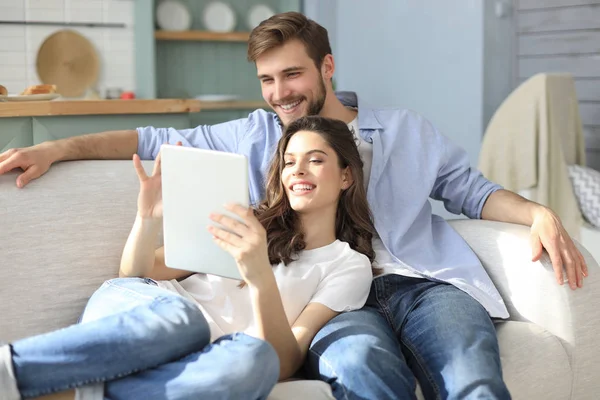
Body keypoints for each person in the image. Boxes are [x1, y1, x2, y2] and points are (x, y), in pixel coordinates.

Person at [0, 11, 588, 400]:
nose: (280, 93)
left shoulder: (405, 131)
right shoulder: (256, 137)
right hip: (333, 302)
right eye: (267, 80)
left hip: (418, 281)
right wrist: (57, 147)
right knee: (361, 369)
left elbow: (473, 192)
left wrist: (538, 212)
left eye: (293, 74)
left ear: (327, 68)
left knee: (471, 372)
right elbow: (149, 143)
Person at [0, 116, 375, 399]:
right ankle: (9, 370)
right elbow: (135, 275)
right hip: (147, 315)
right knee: (186, 319)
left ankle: (91, 393)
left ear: (346, 177)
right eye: (290, 160)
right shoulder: (248, 219)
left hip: (201, 359)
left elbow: (287, 360)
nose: (298, 170)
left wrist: (260, 273)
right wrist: (147, 221)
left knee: (257, 362)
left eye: (315, 160)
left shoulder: (348, 265)